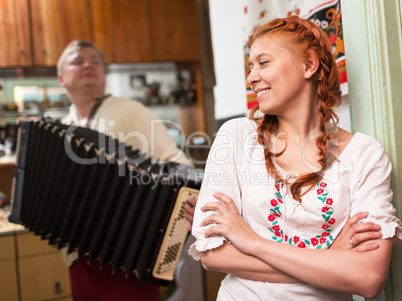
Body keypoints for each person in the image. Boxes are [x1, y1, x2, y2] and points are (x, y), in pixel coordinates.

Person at [189, 15, 402, 300]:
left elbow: (368, 277)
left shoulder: (365, 155)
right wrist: (329, 260)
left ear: (309, 65)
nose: (252, 77)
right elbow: (213, 256)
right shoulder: (236, 137)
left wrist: (251, 242)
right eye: (250, 67)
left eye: (263, 63)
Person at [57, 40, 196, 300]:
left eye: (95, 61)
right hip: (78, 259)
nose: (87, 64)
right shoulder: (63, 127)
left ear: (104, 73)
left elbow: (179, 166)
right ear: (61, 77)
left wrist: (188, 205)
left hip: (129, 255)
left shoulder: (130, 110)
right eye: (77, 61)